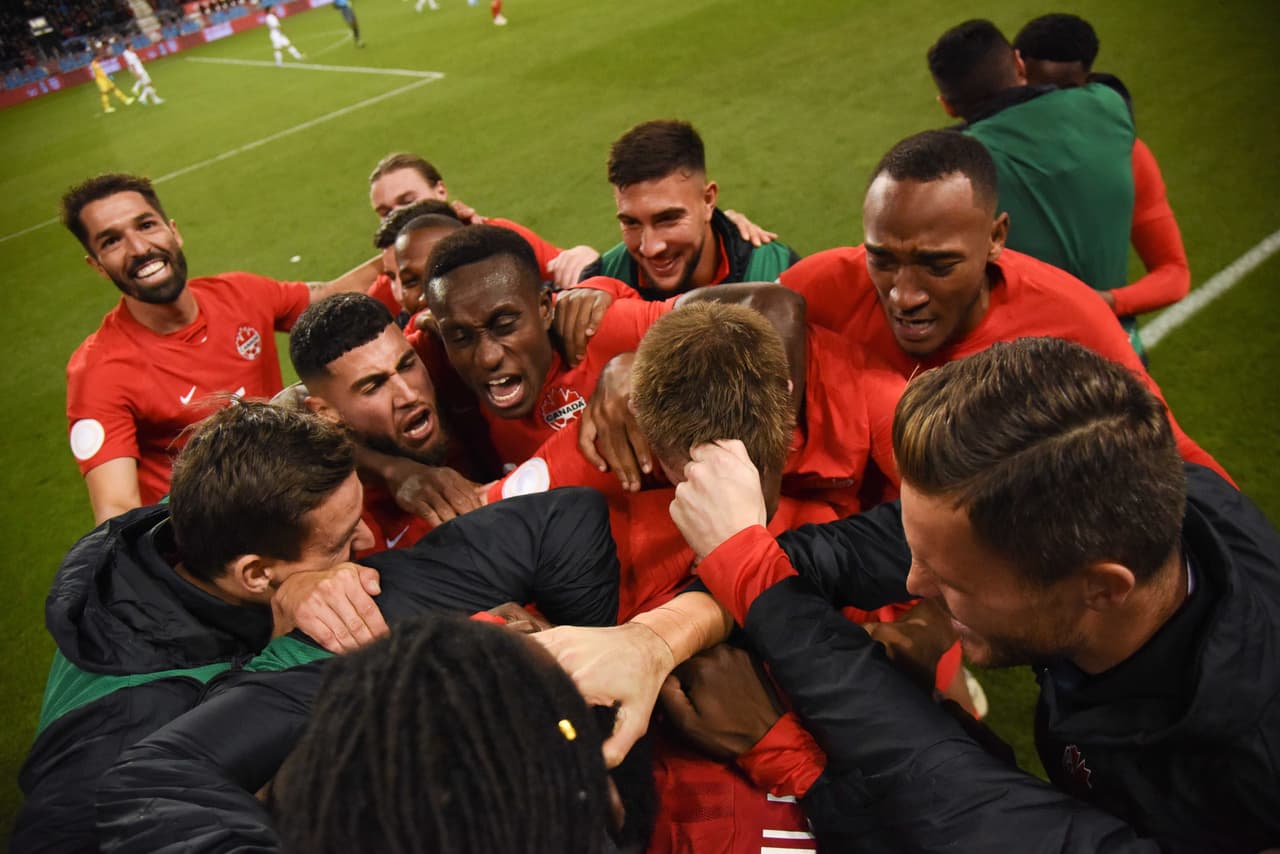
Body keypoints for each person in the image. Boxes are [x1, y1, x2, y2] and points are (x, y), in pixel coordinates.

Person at [643, 337, 1279, 851]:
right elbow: (864, 551)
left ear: (1101, 588)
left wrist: (799, 760)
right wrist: (667, 625)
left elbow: (981, 812)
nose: (914, 586)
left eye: (952, 582)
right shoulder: (1135, 496)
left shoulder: (1245, 773)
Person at [17, 402, 621, 853]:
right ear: (255, 573)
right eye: (339, 541)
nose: (367, 541)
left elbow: (567, 521)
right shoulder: (127, 730)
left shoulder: (186, 533)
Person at [774, 129, 1230, 483]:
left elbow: (1168, 452)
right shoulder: (818, 288)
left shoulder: (1069, 317)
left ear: (995, 238)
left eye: (938, 265)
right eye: (883, 260)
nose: (904, 295)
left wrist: (1254, 556)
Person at [61, 173, 371, 523]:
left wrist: (409, 246)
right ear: (98, 266)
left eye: (146, 225)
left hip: (297, 501)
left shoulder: (238, 293)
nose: (139, 248)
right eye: (112, 241)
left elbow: (331, 297)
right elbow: (116, 511)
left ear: (173, 230)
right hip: (214, 542)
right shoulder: (99, 370)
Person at [1013, 13, 1190, 351]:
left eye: (1063, 90)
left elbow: (1174, 273)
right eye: (1034, 91)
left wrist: (1102, 301)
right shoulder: (989, 161)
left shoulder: (1126, 153)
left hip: (1113, 363)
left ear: (1088, 83)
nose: (1052, 104)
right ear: (1016, 73)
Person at [927, 20, 1134, 303]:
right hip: (1122, 340)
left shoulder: (953, 166)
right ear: (1019, 65)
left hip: (1036, 342)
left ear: (947, 106)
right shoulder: (1108, 104)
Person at [289, 293, 496, 544]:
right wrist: (387, 469)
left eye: (407, 365)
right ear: (325, 413)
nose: (408, 395)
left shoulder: (438, 352)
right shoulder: (340, 525)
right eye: (373, 386)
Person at [578, 119, 799, 299]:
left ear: (708, 200)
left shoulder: (778, 275)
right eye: (631, 223)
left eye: (668, 219)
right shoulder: (600, 284)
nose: (650, 248)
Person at [366, 151, 598, 296]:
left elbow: (569, 268)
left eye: (408, 201)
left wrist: (585, 256)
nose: (398, 215)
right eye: (384, 212)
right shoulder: (392, 280)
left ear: (440, 191)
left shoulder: (500, 238)